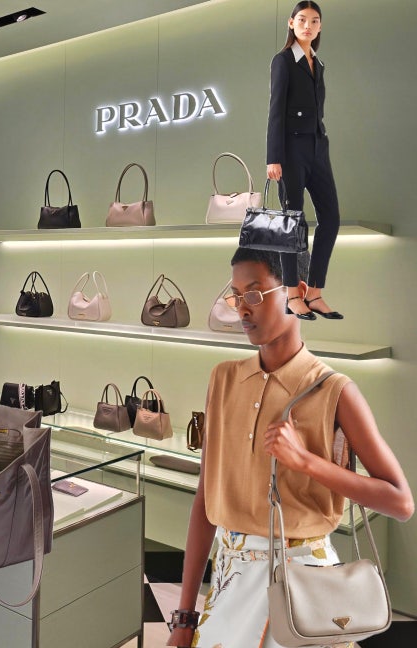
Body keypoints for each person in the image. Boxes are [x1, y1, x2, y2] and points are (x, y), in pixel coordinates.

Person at [167, 248, 413, 648]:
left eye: (254, 293)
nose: (242, 308)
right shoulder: (223, 379)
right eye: (235, 295)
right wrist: (184, 618)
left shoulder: (335, 390)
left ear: (296, 293)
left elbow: (401, 503)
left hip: (307, 593)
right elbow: (205, 501)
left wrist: (307, 462)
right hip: (229, 589)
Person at [266, 1, 343, 320]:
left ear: (320, 26)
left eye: (314, 21)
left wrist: (320, 143)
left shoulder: (318, 64)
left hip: (317, 148)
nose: (307, 26)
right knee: (292, 223)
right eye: (302, 20)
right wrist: (273, 157)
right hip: (291, 151)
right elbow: (275, 110)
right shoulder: (283, 60)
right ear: (291, 23)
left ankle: (314, 292)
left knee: (331, 218)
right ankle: (292, 295)